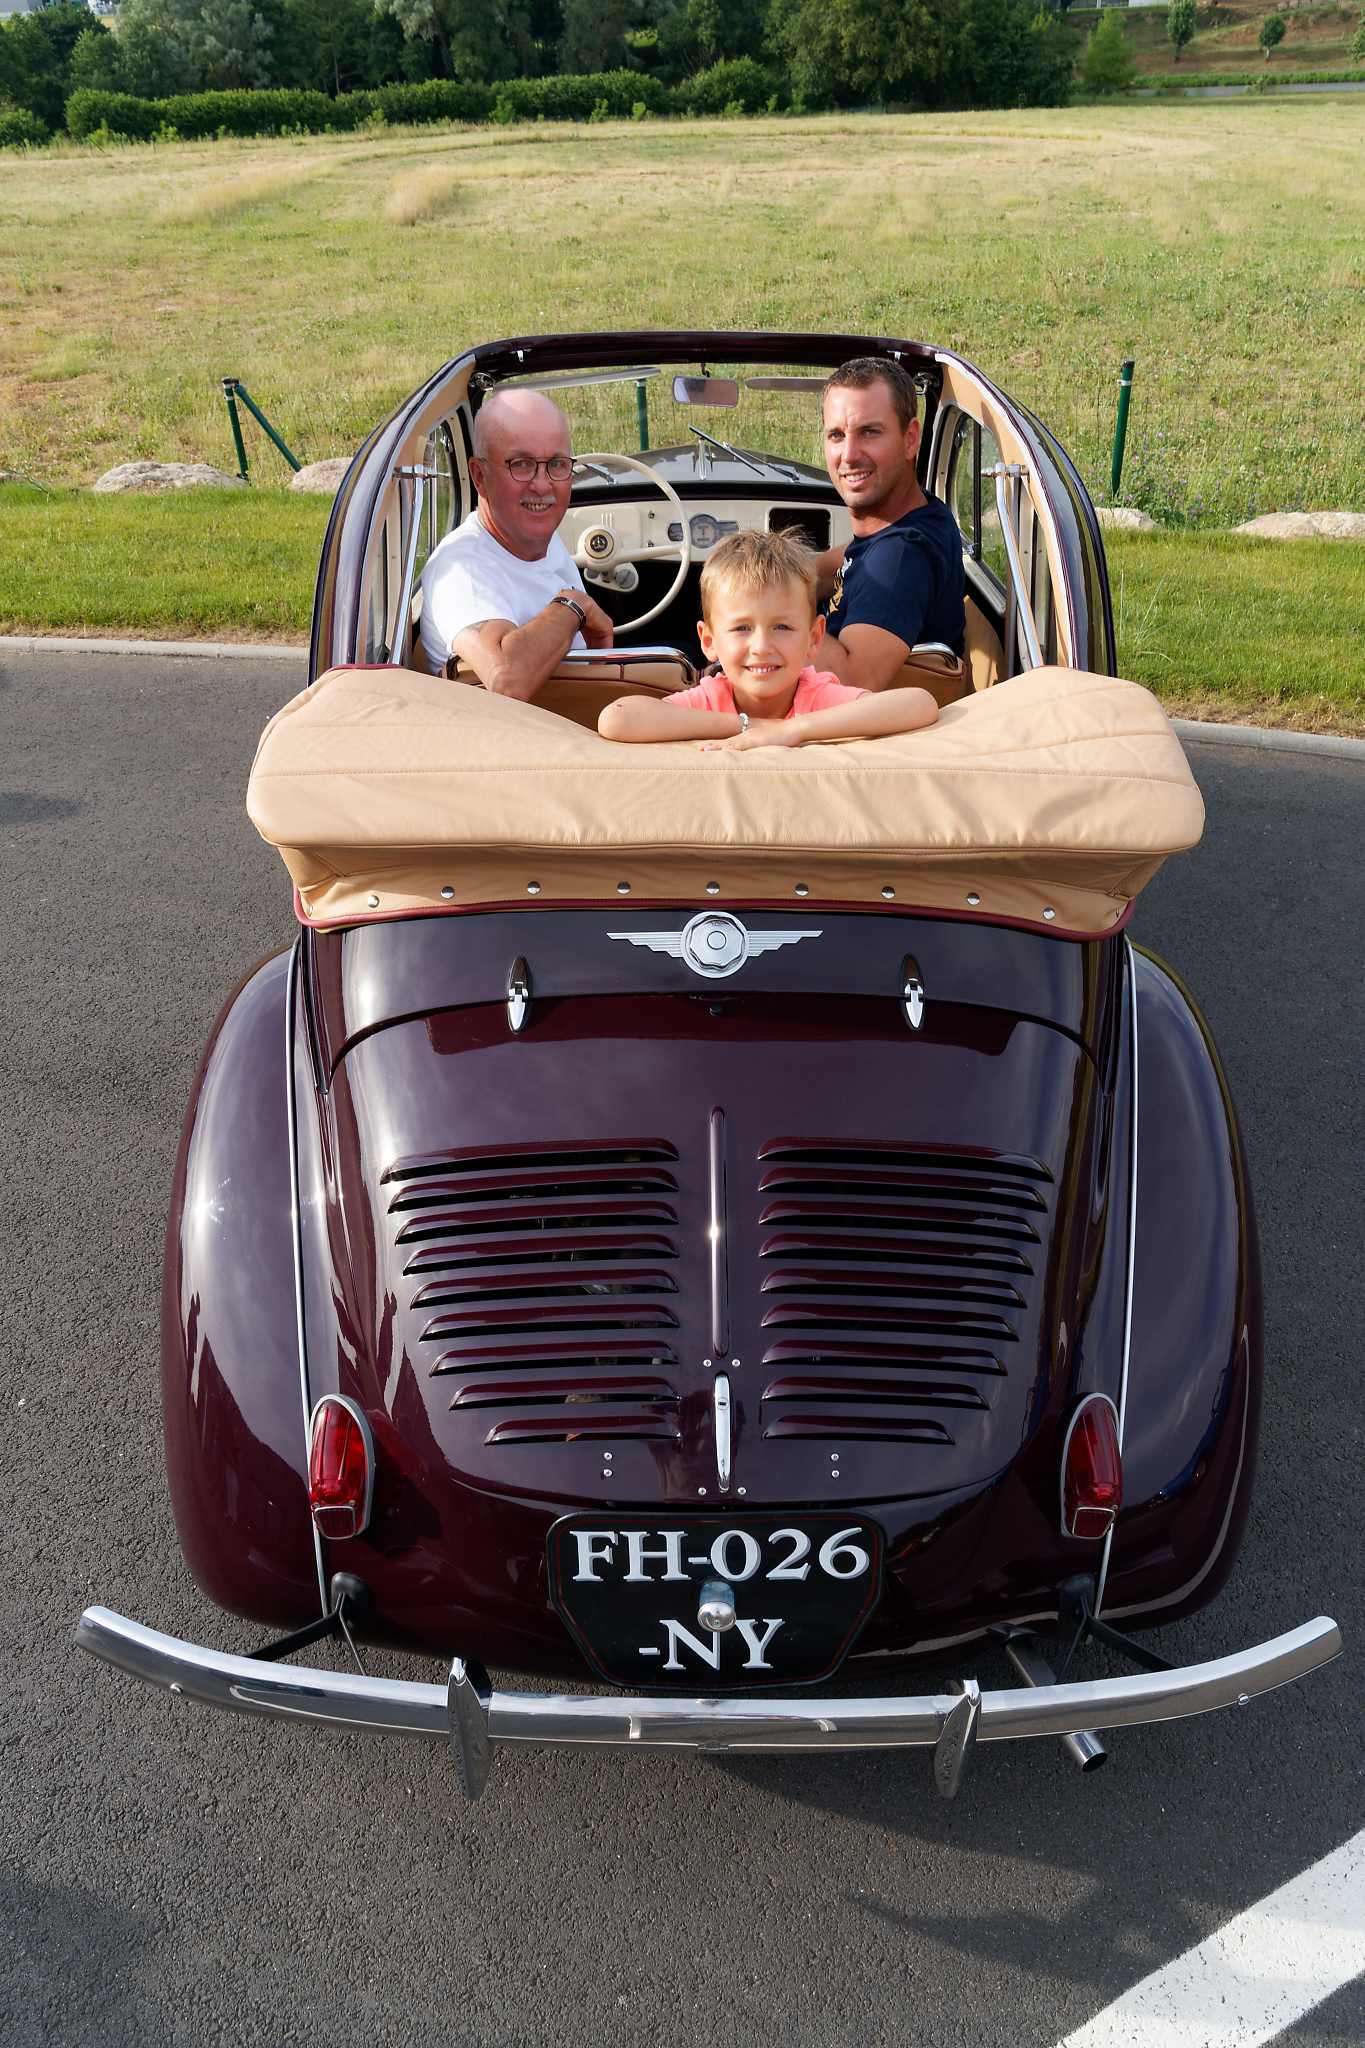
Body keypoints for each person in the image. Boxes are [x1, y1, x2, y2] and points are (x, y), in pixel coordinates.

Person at [597, 530, 938, 750]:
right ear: (709, 641)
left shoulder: (817, 696)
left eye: (782, 627)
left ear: (814, 638)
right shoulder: (711, 698)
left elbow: (919, 703)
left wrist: (794, 729)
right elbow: (617, 718)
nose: (761, 646)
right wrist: (749, 725)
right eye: (742, 628)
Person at [418, 387, 614, 695]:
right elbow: (506, 679)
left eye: (557, 464)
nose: (542, 485)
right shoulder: (461, 569)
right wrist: (573, 605)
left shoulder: (538, 540)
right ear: (479, 476)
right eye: (521, 464)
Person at [813, 357, 966, 693]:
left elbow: (854, 683)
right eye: (836, 435)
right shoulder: (913, 518)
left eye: (869, 432)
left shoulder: (898, 559)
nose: (849, 455)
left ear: (910, 439)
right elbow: (827, 568)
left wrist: (761, 623)